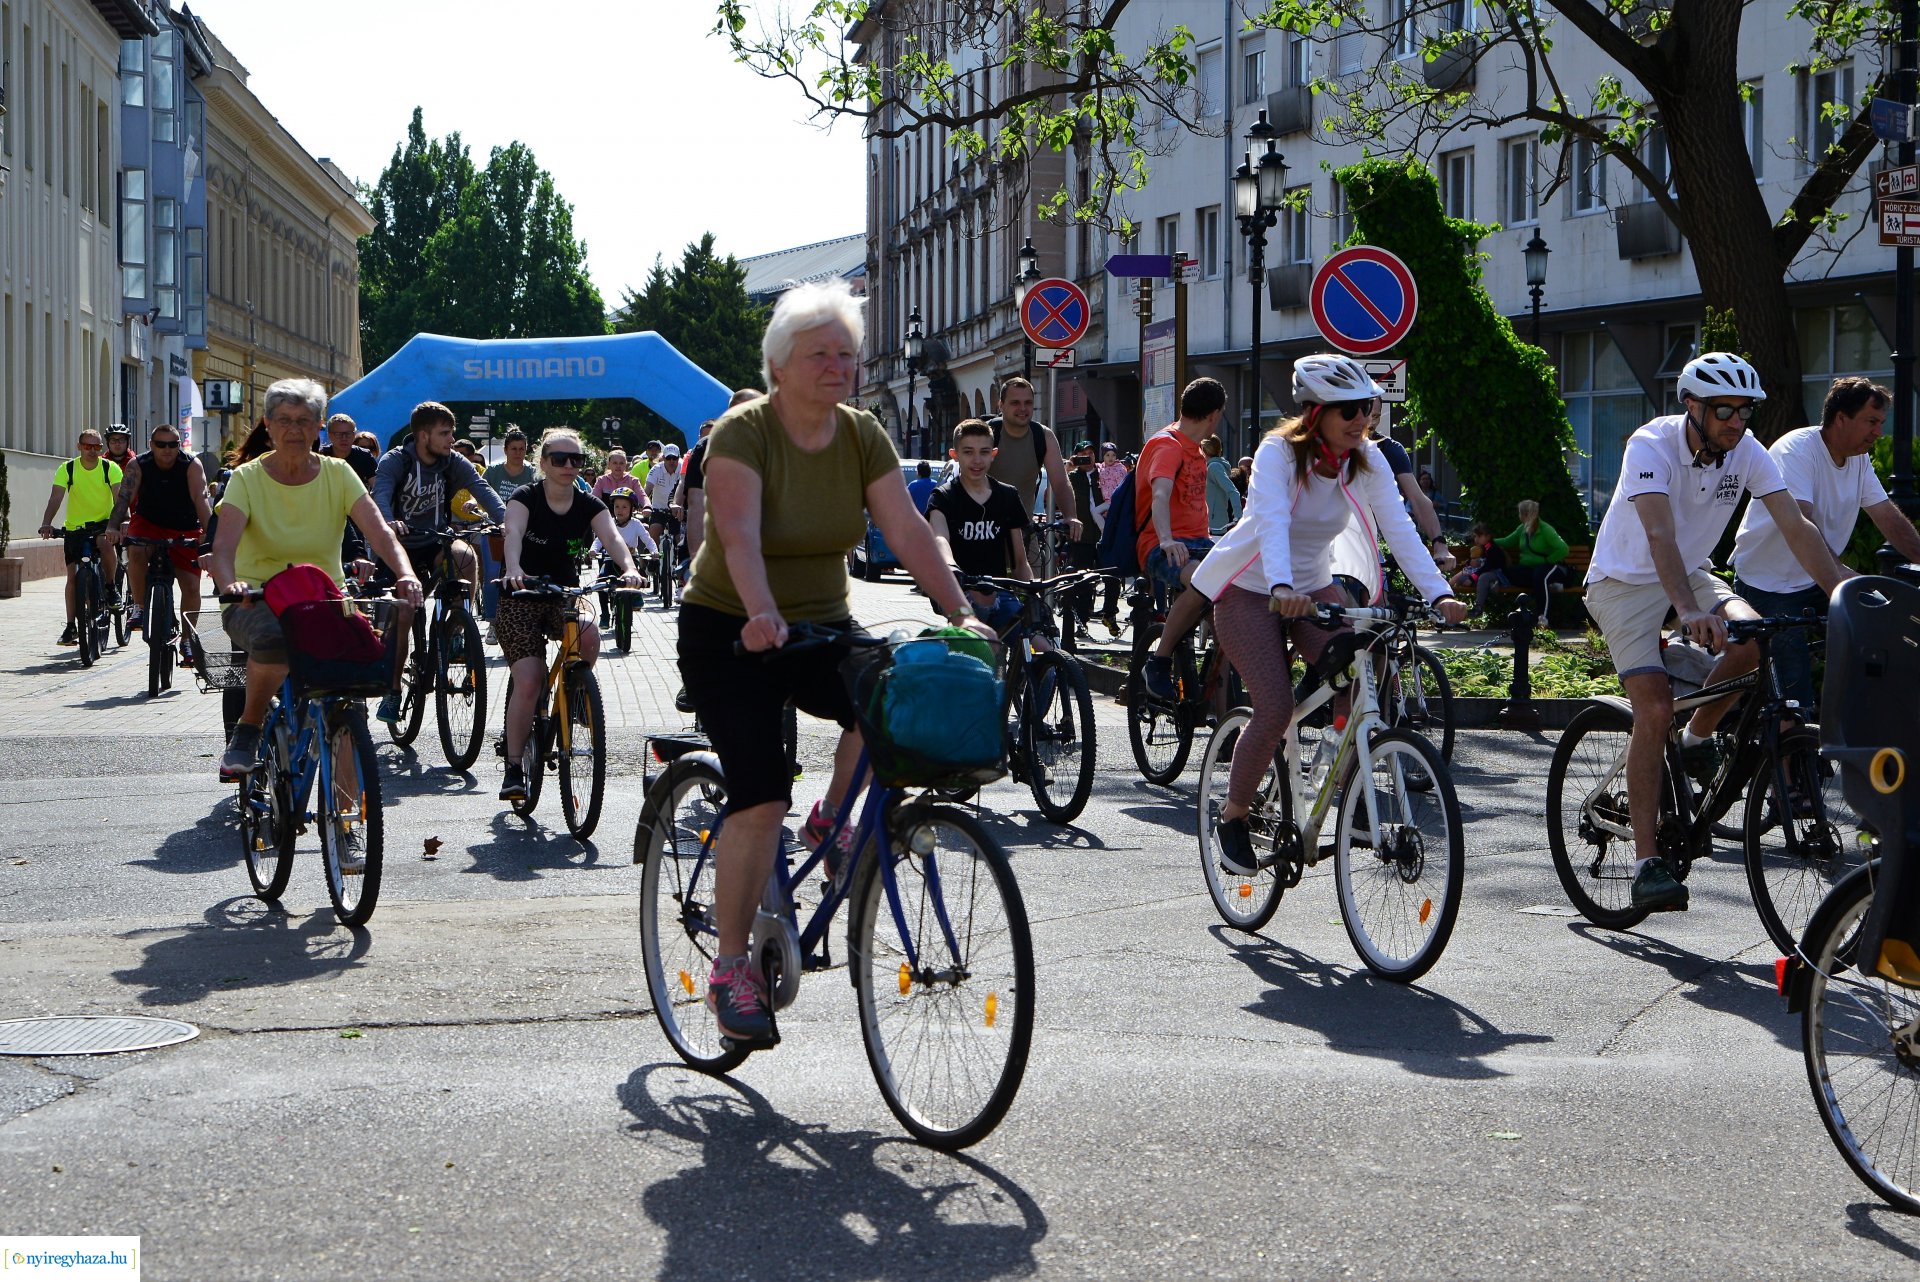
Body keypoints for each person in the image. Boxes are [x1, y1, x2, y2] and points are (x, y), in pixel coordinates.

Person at [677, 279, 992, 1048]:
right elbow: (737, 535)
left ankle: (832, 822)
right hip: (731, 629)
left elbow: (908, 530)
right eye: (819, 354)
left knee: (891, 699)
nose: (837, 367)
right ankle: (729, 969)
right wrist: (760, 611)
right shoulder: (744, 432)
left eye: (846, 354)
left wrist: (959, 611)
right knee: (760, 795)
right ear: (779, 365)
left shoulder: (860, 434)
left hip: (820, 622)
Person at [1583, 352, 1853, 913]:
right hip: (1622, 583)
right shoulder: (1651, 444)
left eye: (1744, 410)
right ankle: (1646, 864)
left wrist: (1840, 598)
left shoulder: (1747, 451)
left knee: (1752, 638)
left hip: (1691, 573)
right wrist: (1686, 610)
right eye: (1724, 410)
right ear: (1692, 406)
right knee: (1654, 708)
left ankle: (1696, 739)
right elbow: (1659, 535)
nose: (1736, 421)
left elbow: (1796, 526)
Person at [1193, 354, 1467, 875]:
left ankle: (1350, 785)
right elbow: (1271, 521)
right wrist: (1280, 586)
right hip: (1251, 589)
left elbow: (1399, 528)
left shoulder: (1366, 458)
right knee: (1274, 708)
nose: (1361, 418)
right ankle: (1233, 817)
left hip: (1315, 587)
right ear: (1315, 413)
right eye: (1348, 410)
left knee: (1365, 664)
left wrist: (1438, 593)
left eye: (1366, 407)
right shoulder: (1277, 453)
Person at [210, 379, 423, 801]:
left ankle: (347, 821)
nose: (294, 429)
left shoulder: (338, 473)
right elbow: (223, 547)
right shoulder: (247, 478)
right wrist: (230, 582)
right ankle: (248, 730)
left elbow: (380, 531)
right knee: (274, 641)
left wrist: (405, 572)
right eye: (284, 420)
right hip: (256, 597)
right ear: (268, 425)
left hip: (325, 599)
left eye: (304, 421)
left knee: (351, 693)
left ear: (318, 427)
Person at [1732, 376, 1920, 712]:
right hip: (1770, 585)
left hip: (1818, 578)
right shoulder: (1796, 451)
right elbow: (1801, 524)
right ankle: (1785, 738)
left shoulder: (1858, 458)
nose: (1879, 432)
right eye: (1871, 421)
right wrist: (1840, 574)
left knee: (1887, 628)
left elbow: (1887, 517)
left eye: (1881, 423)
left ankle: (1860, 720)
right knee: (1793, 695)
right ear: (1841, 418)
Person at [496, 429, 643, 801]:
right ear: (543, 463)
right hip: (521, 595)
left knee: (589, 632)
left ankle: (576, 693)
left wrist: (628, 568)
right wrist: (513, 568)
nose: (568, 465)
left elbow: (613, 538)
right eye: (559, 459)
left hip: (563, 594)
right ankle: (513, 767)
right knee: (530, 680)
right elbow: (512, 531)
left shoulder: (589, 503)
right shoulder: (525, 496)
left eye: (576, 459)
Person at [370, 401, 507, 724]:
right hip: (400, 546)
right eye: (444, 433)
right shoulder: (396, 461)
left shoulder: (452, 461)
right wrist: (389, 522)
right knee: (404, 613)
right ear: (423, 436)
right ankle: (392, 691)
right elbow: (380, 497)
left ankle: (457, 627)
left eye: (451, 433)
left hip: (435, 540)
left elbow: (482, 488)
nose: (451, 439)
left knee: (465, 556)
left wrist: (505, 520)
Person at [1137, 377, 1230, 700]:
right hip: (1160, 544)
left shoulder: (1196, 449)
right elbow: (1160, 495)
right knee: (1204, 581)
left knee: (1234, 608)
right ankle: (1159, 660)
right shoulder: (1168, 445)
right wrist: (1166, 540)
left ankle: (1225, 720)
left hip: (1199, 542)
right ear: (1214, 415)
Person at [926, 419, 1035, 633]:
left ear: (993, 454)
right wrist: (951, 567)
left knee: (1040, 642)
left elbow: (1020, 562)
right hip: (958, 591)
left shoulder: (1007, 495)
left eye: (984, 452)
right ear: (955, 454)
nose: (977, 460)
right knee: (982, 641)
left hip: (999, 591)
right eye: (968, 452)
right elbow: (940, 538)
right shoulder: (943, 497)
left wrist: (1032, 594)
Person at [103, 424, 213, 630]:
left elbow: (201, 499)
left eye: (173, 444)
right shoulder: (138, 464)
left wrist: (210, 536)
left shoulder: (191, 464)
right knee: (135, 551)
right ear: (151, 445)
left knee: (191, 586)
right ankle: (140, 607)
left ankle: (187, 639)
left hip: (185, 526)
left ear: (179, 445)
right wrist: (112, 527)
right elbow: (124, 497)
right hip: (148, 523)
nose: (167, 449)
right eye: (161, 444)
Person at [38, 428, 125, 646]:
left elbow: (120, 498)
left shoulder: (110, 468)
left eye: (97, 447)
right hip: (75, 529)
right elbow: (55, 498)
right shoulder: (67, 469)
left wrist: (122, 521)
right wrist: (47, 523)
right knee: (72, 578)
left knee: (106, 544)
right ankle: (71, 627)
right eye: (87, 446)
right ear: (79, 447)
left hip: (103, 525)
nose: (92, 451)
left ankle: (110, 586)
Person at [988, 378, 1079, 540]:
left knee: (1033, 557)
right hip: (984, 531)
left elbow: (1060, 482)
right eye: (1015, 403)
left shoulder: (1043, 436)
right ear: (1001, 405)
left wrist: (1070, 516)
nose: (1023, 408)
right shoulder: (986, 433)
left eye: (1028, 403)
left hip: (1024, 532)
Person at [1369, 408, 1454, 572]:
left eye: (1376, 416)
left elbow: (1418, 499)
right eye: (1363, 412)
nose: (1369, 422)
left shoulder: (1388, 449)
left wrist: (1440, 544)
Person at [1493, 499, 1570, 602]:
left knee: (1539, 576)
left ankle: (1542, 612)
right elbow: (1507, 541)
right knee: (1510, 573)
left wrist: (1548, 560)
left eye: (1519, 513)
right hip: (1528, 569)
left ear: (1524, 514)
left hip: (1548, 567)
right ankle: (1550, 585)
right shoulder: (1522, 529)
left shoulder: (1545, 529)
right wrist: (1488, 541)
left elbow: (1564, 549)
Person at [1449, 521, 1512, 616]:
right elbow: (1477, 562)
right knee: (1462, 578)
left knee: (1483, 577)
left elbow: (1487, 567)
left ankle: (1478, 608)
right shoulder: (1482, 548)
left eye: (1479, 536)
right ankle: (1491, 585)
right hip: (1484, 575)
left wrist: (1472, 578)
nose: (1476, 539)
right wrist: (1469, 563)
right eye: (1475, 536)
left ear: (1488, 537)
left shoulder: (1493, 549)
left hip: (1497, 574)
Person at [1202, 434, 1242, 535]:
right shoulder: (1211, 466)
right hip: (1211, 526)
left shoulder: (1214, 467)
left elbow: (1233, 491)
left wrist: (1238, 516)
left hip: (1214, 527)